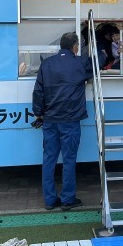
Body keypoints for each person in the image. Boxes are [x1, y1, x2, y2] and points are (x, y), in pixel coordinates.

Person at [32, 32, 93, 211]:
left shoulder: (46, 63)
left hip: (50, 120)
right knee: (69, 159)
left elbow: (38, 91)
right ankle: (68, 199)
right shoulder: (80, 63)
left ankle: (50, 200)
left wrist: (38, 113)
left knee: (49, 159)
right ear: (75, 47)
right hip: (70, 121)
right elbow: (100, 61)